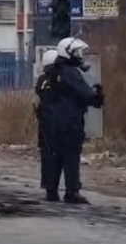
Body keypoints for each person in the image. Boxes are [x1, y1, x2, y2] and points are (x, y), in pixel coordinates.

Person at [46, 37, 104, 204]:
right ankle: (72, 192)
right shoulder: (70, 72)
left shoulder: (55, 70)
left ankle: (52, 191)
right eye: (77, 52)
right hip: (69, 121)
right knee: (71, 157)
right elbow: (84, 94)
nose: (80, 56)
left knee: (56, 156)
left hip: (54, 120)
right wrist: (97, 96)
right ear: (69, 53)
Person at [34, 49, 59, 200]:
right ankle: (52, 189)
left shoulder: (41, 80)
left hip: (44, 124)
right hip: (54, 123)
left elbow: (37, 102)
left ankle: (50, 189)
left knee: (47, 156)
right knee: (55, 156)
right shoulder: (57, 79)